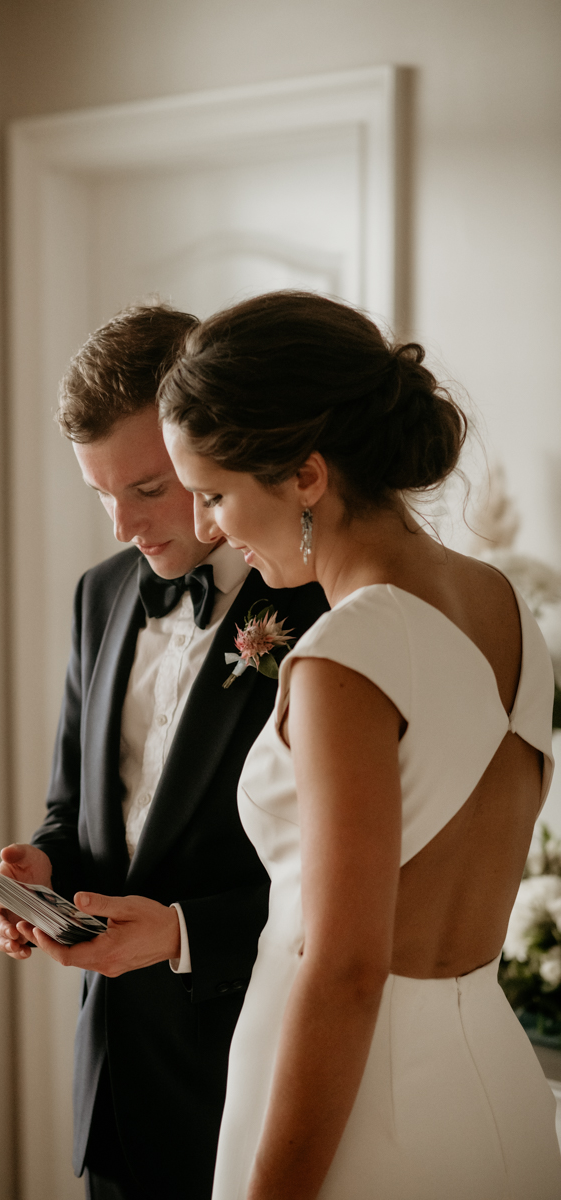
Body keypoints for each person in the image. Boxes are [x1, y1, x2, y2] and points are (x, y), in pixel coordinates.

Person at [160, 290, 561, 1200]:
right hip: (494, 1084)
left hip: (364, 1118)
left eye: (215, 493)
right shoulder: (504, 605)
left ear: (307, 476)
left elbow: (343, 972)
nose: (205, 529)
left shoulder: (347, 651)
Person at [0, 304, 329, 1200]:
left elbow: (350, 889)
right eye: (99, 493)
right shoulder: (100, 596)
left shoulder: (321, 602)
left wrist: (182, 935)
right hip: (115, 1091)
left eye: (145, 488)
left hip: (249, 1074)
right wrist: (38, 872)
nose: (120, 525)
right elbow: (77, 807)